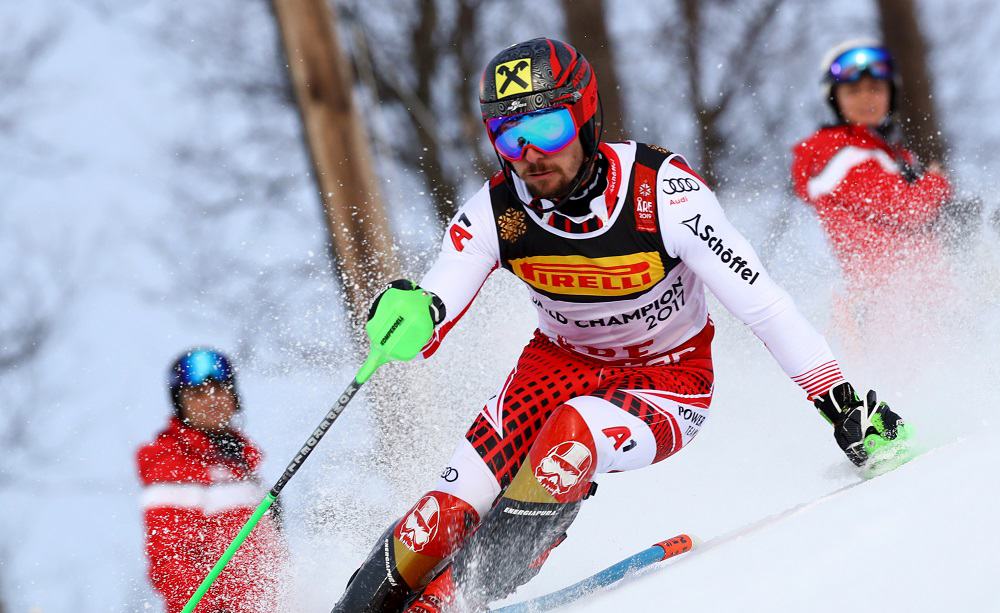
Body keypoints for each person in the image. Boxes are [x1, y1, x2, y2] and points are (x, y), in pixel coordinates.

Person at [333, 38, 906, 613]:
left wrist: (840, 403)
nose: (531, 153)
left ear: (584, 118)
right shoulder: (498, 209)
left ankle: (452, 601)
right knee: (437, 521)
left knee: (573, 434)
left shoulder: (665, 193)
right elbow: (441, 291)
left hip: (666, 382)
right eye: (510, 136)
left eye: (550, 128)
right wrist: (414, 311)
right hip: (551, 371)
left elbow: (763, 305)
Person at [791, 40, 951, 327]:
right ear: (834, 99)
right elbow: (910, 210)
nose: (867, 99)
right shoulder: (840, 154)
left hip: (922, 303)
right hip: (889, 311)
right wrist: (937, 181)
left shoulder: (887, 153)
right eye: (853, 91)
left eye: (876, 89)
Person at [137, 348, 282, 613]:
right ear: (180, 404)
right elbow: (171, 560)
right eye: (197, 394)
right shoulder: (172, 463)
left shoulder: (239, 463)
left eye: (220, 389)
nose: (211, 400)